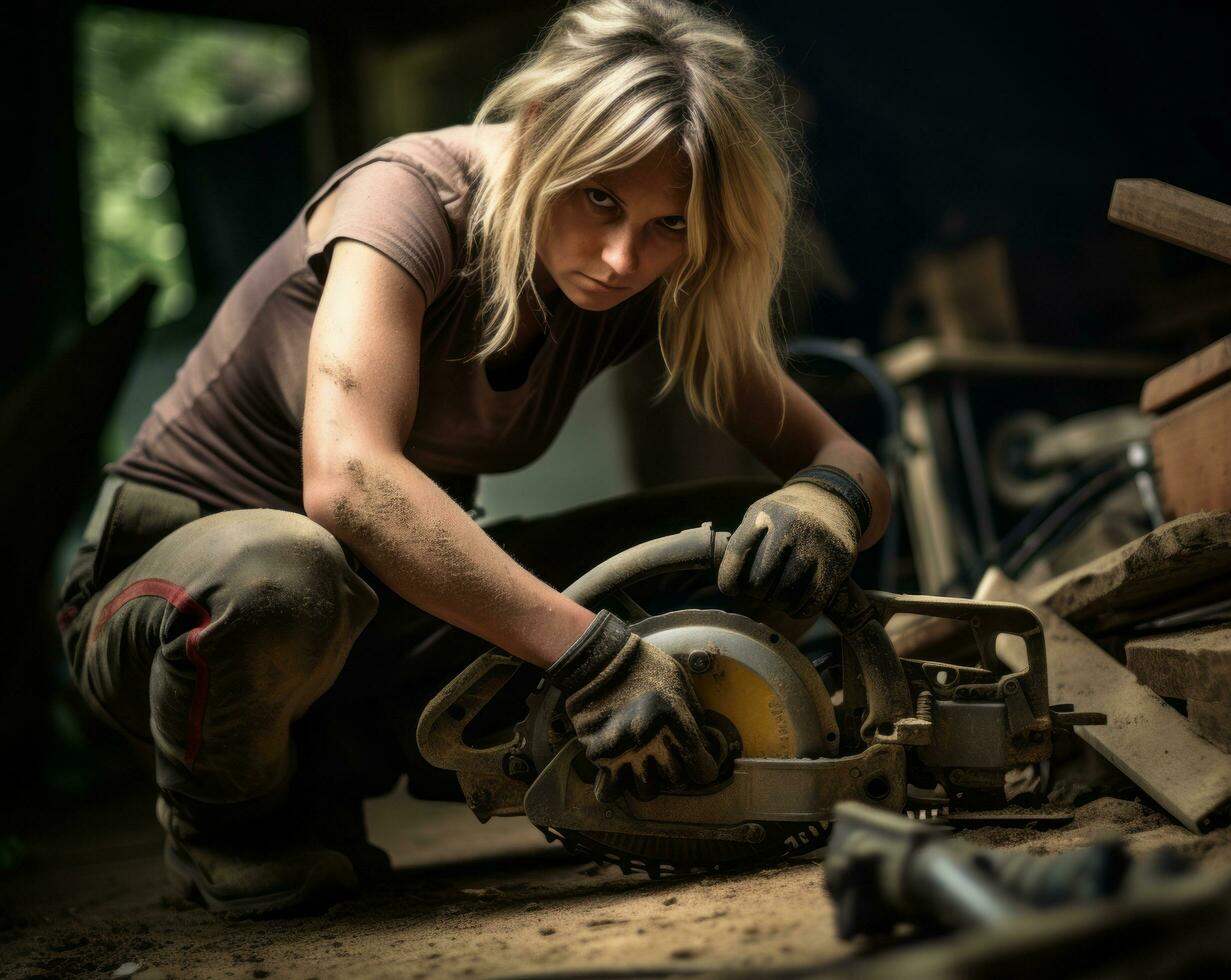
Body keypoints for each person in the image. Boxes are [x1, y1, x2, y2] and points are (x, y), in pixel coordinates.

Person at [57, 0, 890, 917]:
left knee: (749, 537)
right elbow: (347, 484)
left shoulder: (649, 274)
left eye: (670, 224)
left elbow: (838, 456)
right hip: (174, 605)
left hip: (375, 604)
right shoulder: (407, 198)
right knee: (287, 572)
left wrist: (826, 503)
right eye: (599, 198)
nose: (621, 257)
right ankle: (224, 824)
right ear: (538, 132)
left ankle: (342, 761)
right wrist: (592, 656)